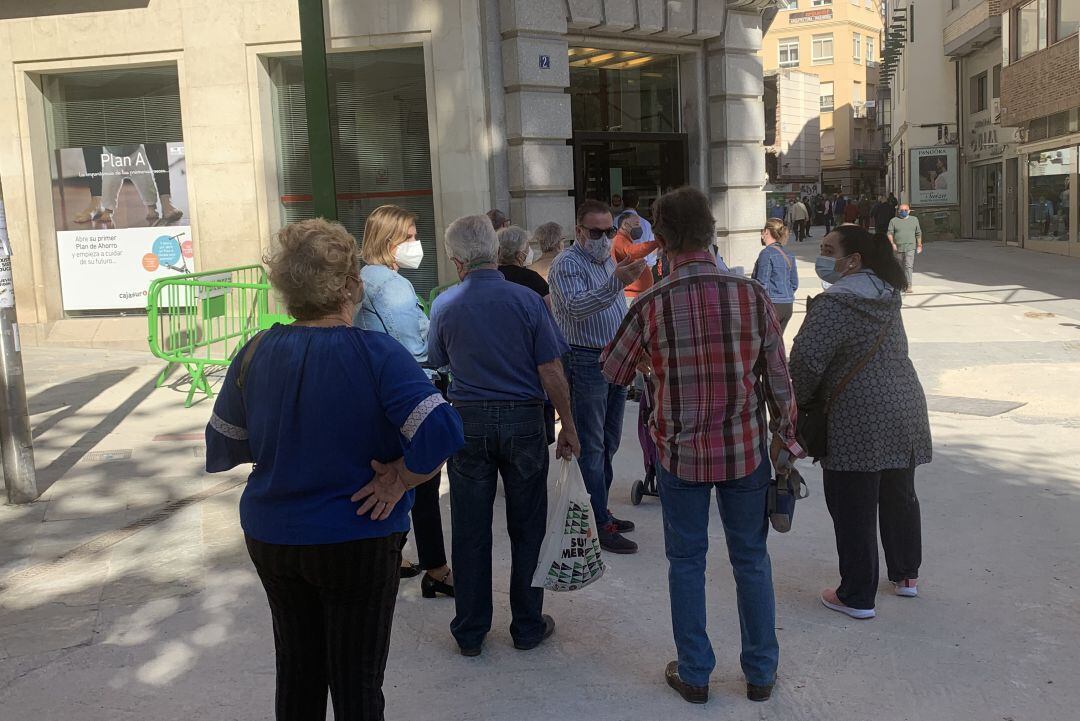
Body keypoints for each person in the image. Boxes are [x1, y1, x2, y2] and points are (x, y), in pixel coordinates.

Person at [206, 218, 464, 721]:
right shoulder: (376, 353)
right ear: (352, 284)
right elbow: (443, 430)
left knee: (297, 674)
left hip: (274, 537)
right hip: (358, 536)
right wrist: (402, 478)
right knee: (357, 683)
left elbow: (225, 444)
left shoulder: (254, 351)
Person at [601, 187, 803, 706]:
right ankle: (760, 673)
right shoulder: (751, 295)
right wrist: (787, 439)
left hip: (680, 454)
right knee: (751, 560)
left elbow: (612, 370)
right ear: (710, 234)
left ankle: (695, 673)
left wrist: (654, 369)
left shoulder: (652, 303)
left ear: (661, 239)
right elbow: (780, 383)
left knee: (686, 562)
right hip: (744, 452)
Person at [428, 215, 580, 658]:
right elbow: (551, 370)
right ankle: (527, 625)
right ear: (497, 254)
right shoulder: (529, 300)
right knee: (527, 526)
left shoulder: (445, 304)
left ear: (457, 262)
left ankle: (470, 631)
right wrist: (568, 426)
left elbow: (437, 360)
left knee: (470, 530)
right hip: (523, 421)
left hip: (469, 421)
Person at [790, 225, 931, 620]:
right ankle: (906, 576)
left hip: (856, 416)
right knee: (898, 495)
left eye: (828, 249)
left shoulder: (837, 303)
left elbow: (805, 361)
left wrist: (794, 405)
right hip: (903, 407)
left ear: (853, 260)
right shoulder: (888, 296)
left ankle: (856, 595)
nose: (822, 256)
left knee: (853, 503)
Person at [354, 204, 455, 597]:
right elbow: (416, 347)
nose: (416, 244)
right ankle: (438, 568)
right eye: (409, 237)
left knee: (387, 475)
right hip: (409, 389)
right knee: (422, 479)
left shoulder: (364, 278)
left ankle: (394, 557)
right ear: (388, 241)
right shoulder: (391, 285)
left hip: (377, 390)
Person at [548, 200, 647, 554]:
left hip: (613, 357)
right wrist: (615, 284)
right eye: (596, 232)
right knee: (591, 445)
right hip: (585, 359)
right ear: (578, 231)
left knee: (609, 441)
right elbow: (576, 308)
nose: (603, 239)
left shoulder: (607, 260)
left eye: (609, 232)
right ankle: (594, 522)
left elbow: (616, 309)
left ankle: (598, 508)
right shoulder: (566, 265)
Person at [752, 219, 799, 332]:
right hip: (787, 305)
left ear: (767, 231)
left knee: (765, 345)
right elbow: (794, 283)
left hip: (773, 304)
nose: (761, 235)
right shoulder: (788, 254)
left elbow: (762, 284)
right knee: (776, 344)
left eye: (762, 232)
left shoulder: (766, 253)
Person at [611, 212, 659, 303]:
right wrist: (656, 243)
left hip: (637, 296)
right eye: (636, 224)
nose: (639, 228)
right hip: (630, 297)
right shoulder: (619, 239)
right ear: (625, 225)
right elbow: (632, 252)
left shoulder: (625, 240)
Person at [497, 225, 549, 300]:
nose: (530, 251)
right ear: (520, 256)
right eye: (528, 247)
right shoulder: (531, 278)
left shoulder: (492, 276)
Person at [886, 203, 923, 289]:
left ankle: (908, 285)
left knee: (908, 266)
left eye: (905, 210)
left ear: (909, 211)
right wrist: (892, 243)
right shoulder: (893, 221)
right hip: (898, 247)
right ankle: (900, 283)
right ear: (898, 211)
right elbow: (890, 233)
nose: (903, 212)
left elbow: (918, 233)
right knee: (899, 266)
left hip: (910, 246)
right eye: (901, 210)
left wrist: (919, 245)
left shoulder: (914, 220)